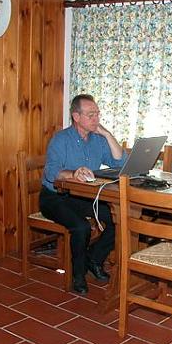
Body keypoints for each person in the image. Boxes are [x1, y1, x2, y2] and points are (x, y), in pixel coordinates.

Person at [40, 94, 126, 294]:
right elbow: (51, 172)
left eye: (97, 114)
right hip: (55, 197)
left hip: (83, 197)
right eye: (91, 115)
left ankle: (94, 259)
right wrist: (73, 173)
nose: (96, 119)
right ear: (76, 117)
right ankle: (78, 275)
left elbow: (121, 163)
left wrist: (107, 134)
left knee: (120, 219)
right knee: (81, 227)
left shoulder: (97, 139)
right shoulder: (61, 139)